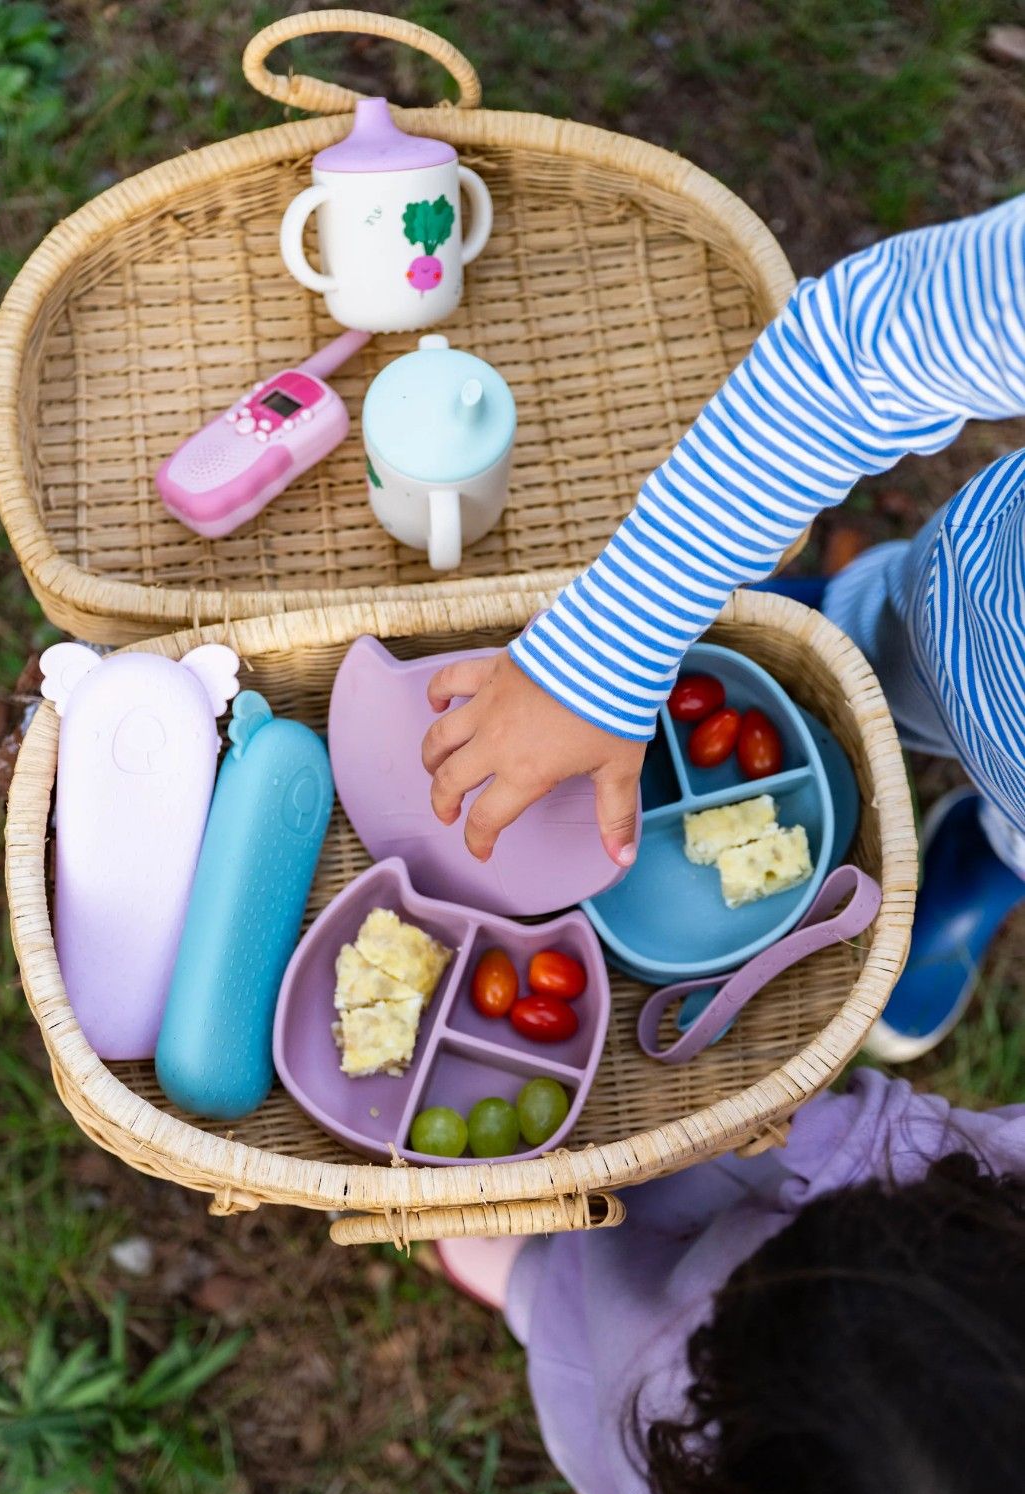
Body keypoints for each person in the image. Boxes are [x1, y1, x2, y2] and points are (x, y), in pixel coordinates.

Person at [421, 197, 1025, 1061]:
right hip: (968, 615)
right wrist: (606, 642)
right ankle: (827, 632)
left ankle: (988, 855)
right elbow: (869, 349)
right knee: (869, 648)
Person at [438, 1070, 1025, 1494]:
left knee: (555, 1294)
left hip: (605, 1353)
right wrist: (848, 1129)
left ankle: (528, 1277)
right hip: (757, 1178)